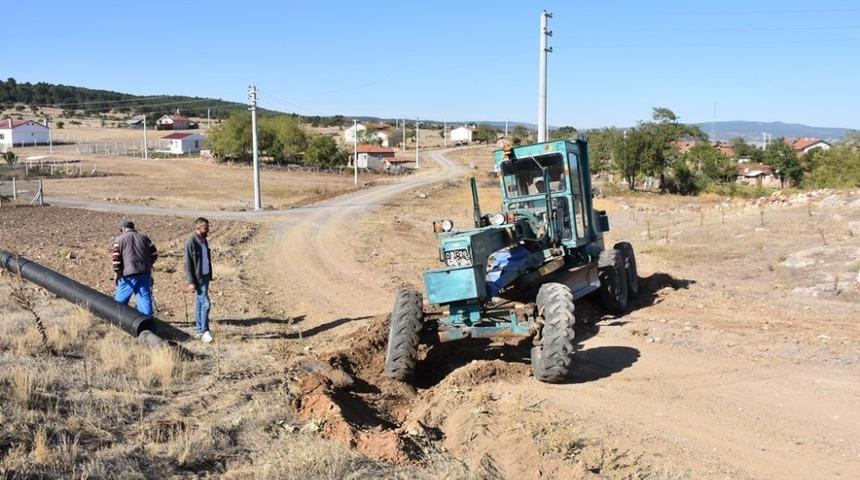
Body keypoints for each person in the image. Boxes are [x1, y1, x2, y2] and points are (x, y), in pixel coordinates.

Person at [112, 219, 158, 317]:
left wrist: (116, 272)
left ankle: (118, 320)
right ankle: (146, 322)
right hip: (144, 272)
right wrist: (148, 264)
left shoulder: (119, 240)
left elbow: (116, 259)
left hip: (127, 274)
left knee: (120, 300)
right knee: (144, 298)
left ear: (123, 229)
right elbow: (154, 254)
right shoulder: (145, 238)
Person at [185, 217, 213, 343]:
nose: (208, 230)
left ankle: (199, 330)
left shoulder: (204, 240)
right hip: (198, 278)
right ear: (198, 228)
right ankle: (205, 331)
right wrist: (191, 282)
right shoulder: (191, 241)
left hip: (205, 276)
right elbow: (188, 263)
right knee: (206, 304)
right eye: (205, 228)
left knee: (200, 303)